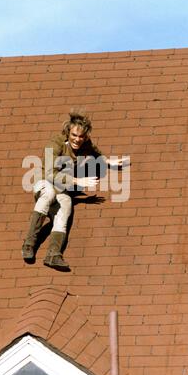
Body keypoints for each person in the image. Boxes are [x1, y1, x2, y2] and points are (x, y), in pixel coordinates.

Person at [22, 111, 127, 272]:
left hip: (62, 188)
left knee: (66, 204)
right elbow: (50, 174)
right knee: (48, 193)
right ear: (68, 132)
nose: (77, 139)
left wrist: (109, 162)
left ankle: (53, 254)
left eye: (81, 136)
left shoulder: (85, 143)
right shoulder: (54, 143)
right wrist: (78, 181)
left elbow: (95, 152)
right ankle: (29, 244)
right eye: (74, 135)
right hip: (44, 181)